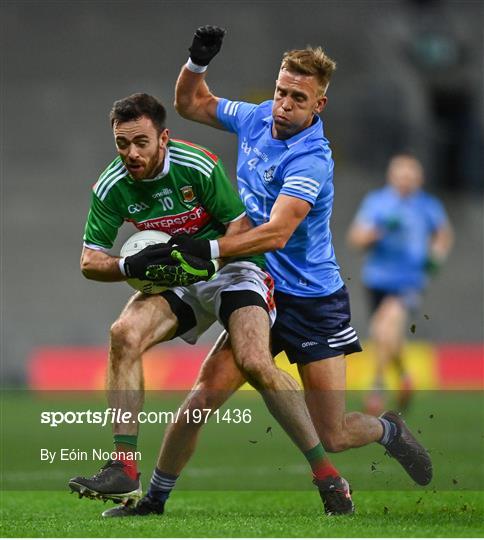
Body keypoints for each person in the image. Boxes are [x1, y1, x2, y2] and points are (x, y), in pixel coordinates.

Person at [101, 27, 432, 518]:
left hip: (312, 299)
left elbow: (276, 233)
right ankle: (154, 500)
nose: (283, 105)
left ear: (318, 105)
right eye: (281, 92)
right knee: (199, 401)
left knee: (334, 434)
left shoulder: (312, 159)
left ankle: (388, 430)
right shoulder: (256, 118)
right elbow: (192, 104)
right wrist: (196, 63)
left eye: (298, 98)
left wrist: (207, 248)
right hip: (254, 287)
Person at [69, 92, 353, 515]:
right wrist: (130, 262)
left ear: (163, 138)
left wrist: (206, 251)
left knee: (256, 361)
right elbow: (90, 261)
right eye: (122, 144)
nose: (131, 153)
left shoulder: (198, 166)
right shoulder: (112, 186)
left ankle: (329, 478)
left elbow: (241, 230)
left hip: (234, 270)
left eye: (141, 142)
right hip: (179, 278)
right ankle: (125, 467)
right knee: (123, 334)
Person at [347, 153, 453, 414]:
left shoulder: (427, 205)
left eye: (411, 176)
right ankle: (405, 375)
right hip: (377, 279)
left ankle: (376, 388)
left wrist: (435, 258)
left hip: (409, 280)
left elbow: (443, 235)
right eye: (401, 175)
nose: (406, 181)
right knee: (386, 334)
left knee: (384, 329)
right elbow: (356, 238)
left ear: (419, 179)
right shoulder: (378, 203)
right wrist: (378, 231)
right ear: (391, 177)